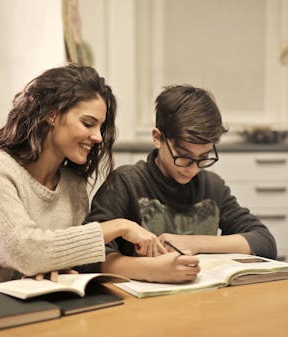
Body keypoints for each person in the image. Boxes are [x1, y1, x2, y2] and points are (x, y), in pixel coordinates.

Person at [0, 63, 165, 296]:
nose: (98, 137)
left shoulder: (73, 184)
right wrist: (120, 226)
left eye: (101, 127)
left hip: (42, 308)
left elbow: (60, 260)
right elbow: (27, 253)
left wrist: (56, 266)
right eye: (88, 124)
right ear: (51, 114)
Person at [85, 85, 277, 283]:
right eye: (184, 157)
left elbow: (264, 241)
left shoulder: (212, 186)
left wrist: (192, 243)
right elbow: (88, 254)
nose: (193, 169)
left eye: (203, 157)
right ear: (157, 138)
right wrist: (149, 269)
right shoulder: (126, 183)